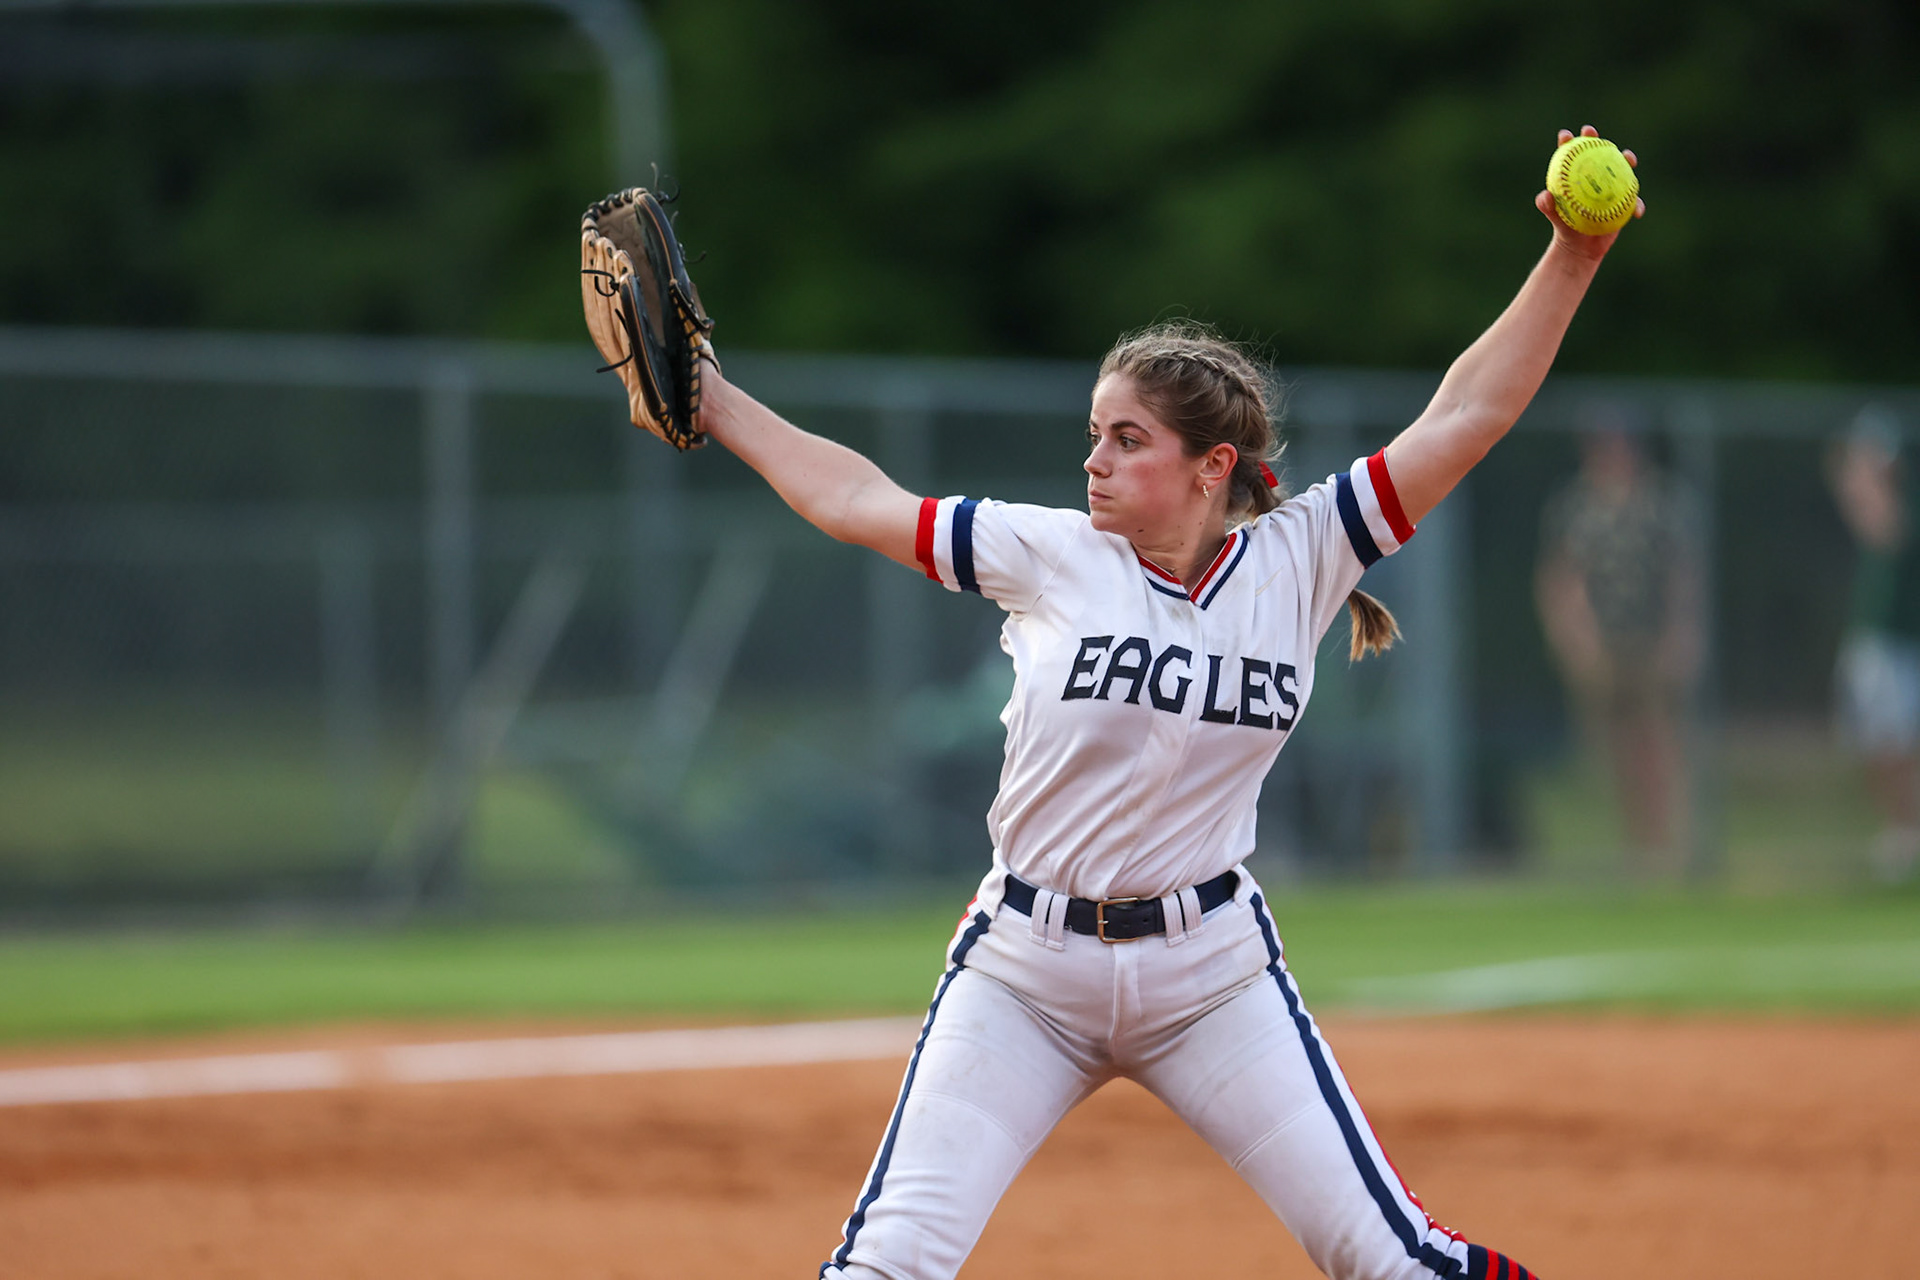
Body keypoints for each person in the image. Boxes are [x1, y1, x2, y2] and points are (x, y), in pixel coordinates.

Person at [697, 126, 1640, 1280]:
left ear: (1212, 465)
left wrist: (1575, 256)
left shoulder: (1304, 557)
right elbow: (853, 495)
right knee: (888, 1263)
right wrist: (710, 394)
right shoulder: (1049, 551)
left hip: (1211, 975)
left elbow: (1466, 414)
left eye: (1127, 438)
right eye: (1095, 433)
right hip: (1025, 970)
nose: (1093, 459)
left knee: (1394, 1260)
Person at [1534, 410, 1701, 878]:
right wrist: (1571, 636)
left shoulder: (1661, 502)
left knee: (1660, 745)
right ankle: (1631, 854)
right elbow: (1560, 577)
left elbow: (1682, 575)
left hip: (1650, 643)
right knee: (1612, 751)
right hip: (1602, 647)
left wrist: (1682, 633)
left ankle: (1670, 851)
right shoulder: (1575, 506)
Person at [1828, 405, 1920, 883]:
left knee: (1897, 740)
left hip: (1899, 640)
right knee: (1877, 741)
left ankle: (1906, 834)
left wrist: (1865, 484)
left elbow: (1887, 533)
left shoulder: (1901, 499)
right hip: (1877, 640)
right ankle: (1901, 831)